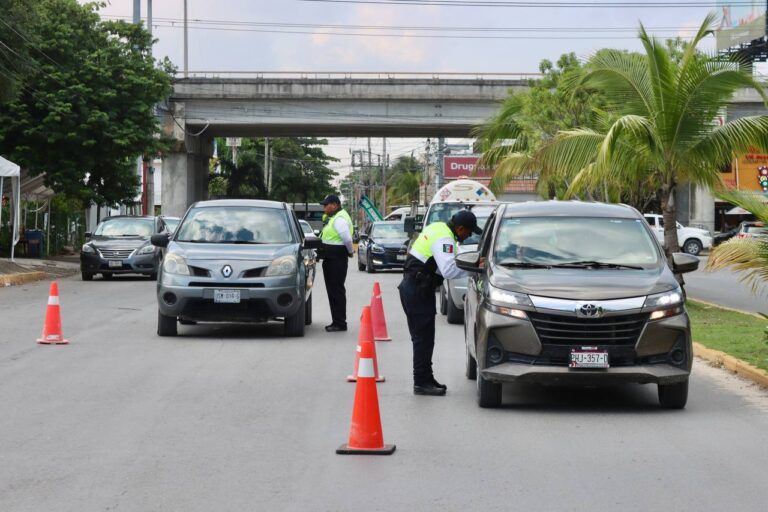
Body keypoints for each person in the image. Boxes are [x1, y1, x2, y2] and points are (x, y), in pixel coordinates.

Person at [399, 210, 482, 396]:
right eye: (468, 232)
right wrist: (475, 269)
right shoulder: (445, 238)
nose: (468, 236)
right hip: (417, 289)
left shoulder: (437, 227)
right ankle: (421, 382)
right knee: (423, 339)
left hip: (415, 287)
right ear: (460, 228)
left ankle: (426, 378)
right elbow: (449, 271)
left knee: (425, 338)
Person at [319, 194, 354, 332]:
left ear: (334, 205)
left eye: (326, 205)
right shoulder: (334, 218)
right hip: (331, 259)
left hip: (336, 259)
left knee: (336, 292)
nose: (324, 208)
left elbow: (347, 238)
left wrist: (350, 251)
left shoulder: (339, 219)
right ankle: (336, 321)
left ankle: (340, 323)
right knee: (333, 291)